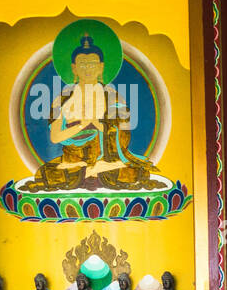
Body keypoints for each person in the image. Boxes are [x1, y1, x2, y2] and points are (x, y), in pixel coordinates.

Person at [22, 32, 161, 191]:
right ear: (74, 68)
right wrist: (82, 125)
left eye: (93, 64)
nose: (87, 69)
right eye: (82, 64)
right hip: (73, 161)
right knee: (44, 172)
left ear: (101, 67)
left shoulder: (114, 98)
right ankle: (88, 171)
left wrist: (99, 125)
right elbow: (55, 137)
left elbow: (123, 136)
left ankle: (93, 170)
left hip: (107, 162)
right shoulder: (62, 100)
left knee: (133, 170)